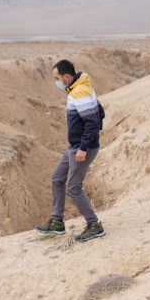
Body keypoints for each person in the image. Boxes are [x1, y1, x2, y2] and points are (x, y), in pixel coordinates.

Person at [35, 59, 106, 242]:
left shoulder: (79, 92)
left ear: (66, 76)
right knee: (57, 179)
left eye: (57, 78)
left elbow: (93, 122)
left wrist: (84, 146)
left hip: (82, 148)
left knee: (73, 187)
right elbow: (100, 112)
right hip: (74, 146)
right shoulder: (79, 89)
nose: (56, 82)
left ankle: (94, 225)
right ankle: (57, 222)